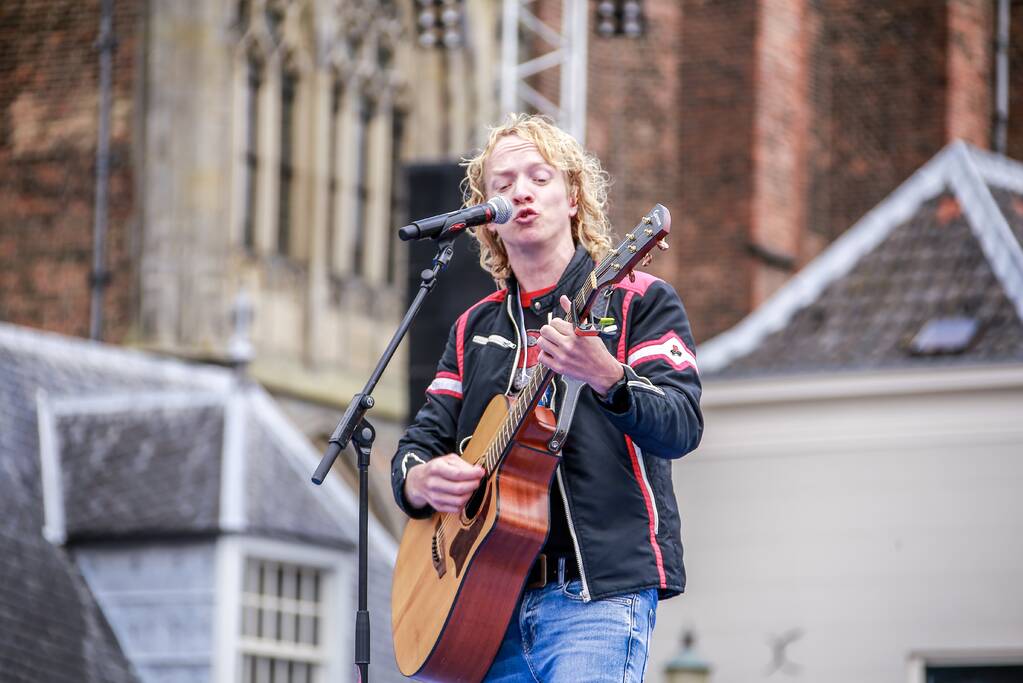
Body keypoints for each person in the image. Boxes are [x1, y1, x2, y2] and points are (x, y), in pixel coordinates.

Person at [390, 113, 703, 682]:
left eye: (539, 177)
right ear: (488, 219)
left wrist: (608, 378)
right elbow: (418, 444)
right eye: (502, 185)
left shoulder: (637, 301)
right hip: (483, 604)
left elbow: (681, 425)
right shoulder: (472, 327)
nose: (520, 193)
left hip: (596, 596)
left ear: (574, 197)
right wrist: (418, 480)